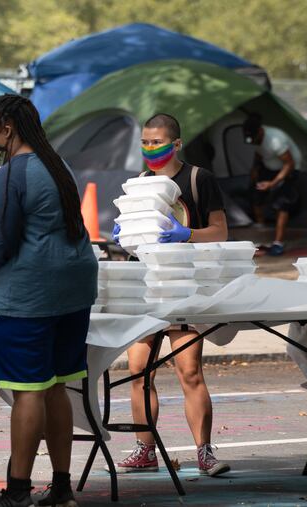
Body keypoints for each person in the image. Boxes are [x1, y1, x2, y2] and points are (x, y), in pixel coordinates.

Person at [0, 94, 97, 507]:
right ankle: (62, 489)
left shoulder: (10, 176)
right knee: (59, 387)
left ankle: (18, 492)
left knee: (28, 391)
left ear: (7, 130)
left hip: (31, 296)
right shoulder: (57, 164)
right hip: (75, 289)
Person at [113, 113, 231, 477]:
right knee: (138, 371)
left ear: (176, 143)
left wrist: (187, 235)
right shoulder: (138, 185)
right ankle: (144, 449)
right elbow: (130, 236)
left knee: (189, 370)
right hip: (147, 287)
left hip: (185, 287)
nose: (151, 148)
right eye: (145, 142)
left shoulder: (198, 179)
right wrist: (123, 234)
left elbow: (221, 232)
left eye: (158, 141)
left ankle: (205, 452)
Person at [243, 113, 302, 256]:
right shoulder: (254, 138)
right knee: (255, 193)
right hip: (269, 166)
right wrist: (255, 169)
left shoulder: (276, 140)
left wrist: (273, 183)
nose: (253, 142)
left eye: (255, 139)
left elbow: (289, 163)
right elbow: (259, 152)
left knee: (283, 203)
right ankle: (261, 231)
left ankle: (278, 242)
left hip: (289, 169)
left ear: (260, 132)